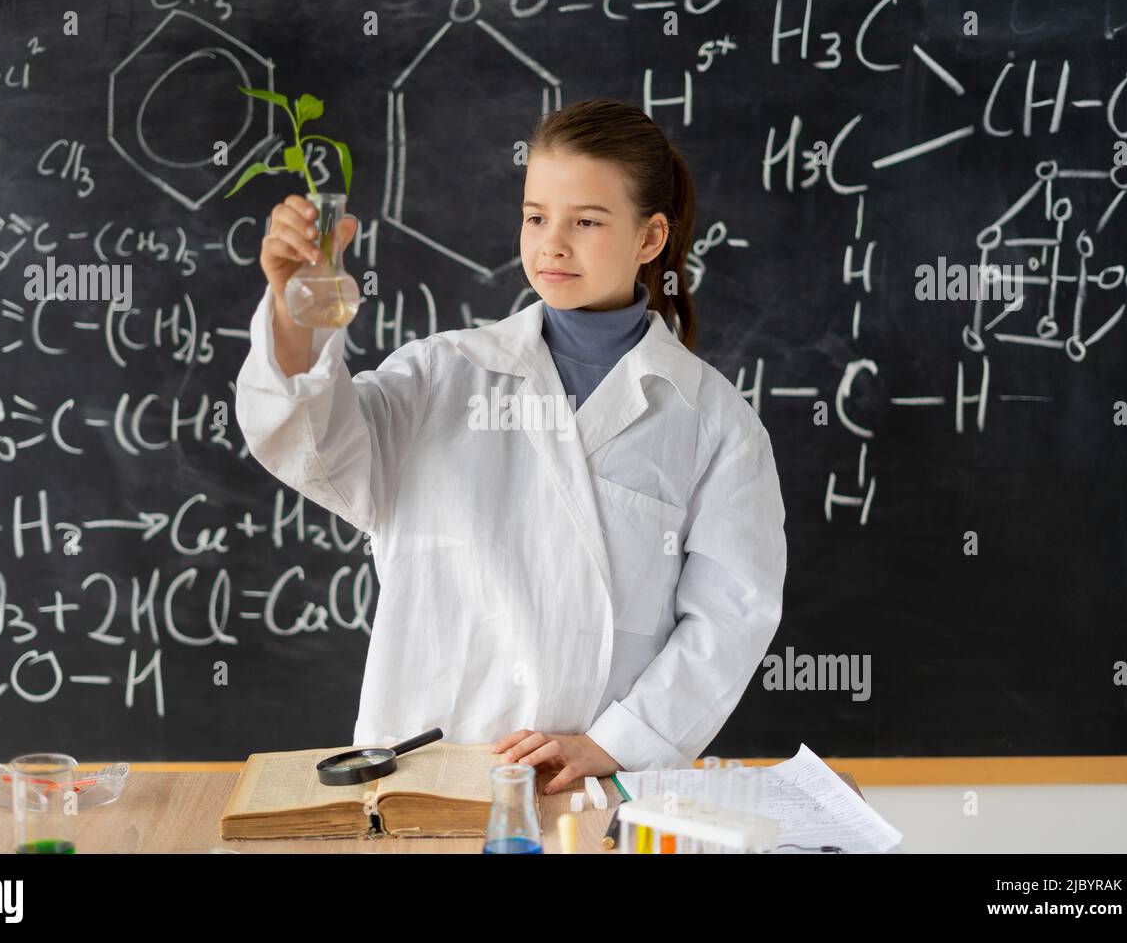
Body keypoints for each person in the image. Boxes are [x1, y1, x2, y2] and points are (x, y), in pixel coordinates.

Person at [235, 98, 787, 795]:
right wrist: (295, 316)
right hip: (420, 782)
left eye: (586, 221)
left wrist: (615, 743)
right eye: (536, 217)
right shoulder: (441, 375)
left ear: (650, 238)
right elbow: (313, 448)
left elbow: (731, 616)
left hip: (581, 789)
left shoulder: (714, 422)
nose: (552, 243)